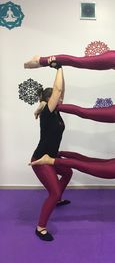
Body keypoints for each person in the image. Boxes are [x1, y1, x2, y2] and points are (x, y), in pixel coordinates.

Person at [30, 58, 73, 242]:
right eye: (56, 98)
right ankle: (40, 228)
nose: (61, 98)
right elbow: (57, 90)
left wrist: (62, 74)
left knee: (68, 172)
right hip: (41, 160)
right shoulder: (47, 112)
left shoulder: (56, 112)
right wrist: (59, 68)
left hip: (52, 157)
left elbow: (60, 90)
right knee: (53, 192)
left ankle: (58, 200)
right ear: (48, 100)